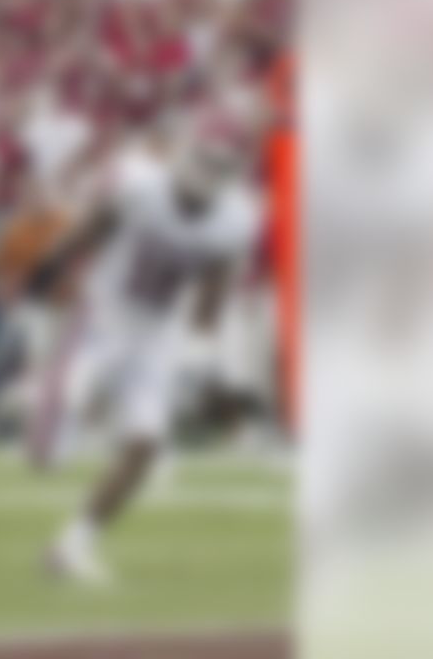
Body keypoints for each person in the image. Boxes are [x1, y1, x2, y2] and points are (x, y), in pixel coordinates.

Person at [27, 128, 263, 585]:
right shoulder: (141, 186)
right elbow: (90, 229)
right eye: (204, 166)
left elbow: (213, 293)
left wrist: (199, 354)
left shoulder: (235, 220)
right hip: (102, 317)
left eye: (219, 171)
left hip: (157, 334)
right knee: (46, 455)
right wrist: (48, 268)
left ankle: (73, 547)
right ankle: (45, 397)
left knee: (147, 444)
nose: (202, 189)